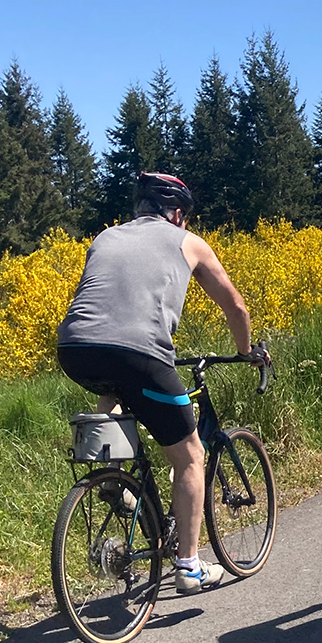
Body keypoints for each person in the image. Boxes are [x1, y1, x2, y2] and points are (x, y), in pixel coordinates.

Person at [57, 172, 269, 595]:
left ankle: (115, 477)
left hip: (75, 348)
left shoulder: (105, 237)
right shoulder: (186, 241)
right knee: (190, 455)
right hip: (140, 352)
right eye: (185, 216)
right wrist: (245, 351)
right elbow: (236, 304)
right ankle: (188, 566)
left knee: (116, 389)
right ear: (176, 213)